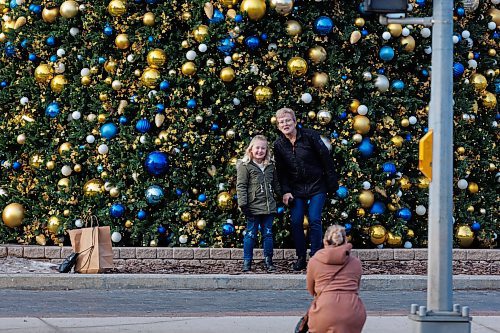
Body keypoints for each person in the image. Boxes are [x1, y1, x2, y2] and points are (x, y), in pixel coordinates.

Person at [273, 107, 339, 270]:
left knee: (314, 219)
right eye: (281, 122)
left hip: (317, 185)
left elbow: (326, 159)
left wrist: (331, 184)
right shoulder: (278, 144)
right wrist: (286, 191)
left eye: (288, 120)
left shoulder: (310, 136)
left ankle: (316, 257)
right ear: (278, 126)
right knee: (296, 221)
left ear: (295, 122)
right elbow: (281, 171)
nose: (285, 124)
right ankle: (301, 257)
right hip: (296, 189)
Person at [306, 225, 366, 333]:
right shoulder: (356, 263)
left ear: (325, 241)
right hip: (352, 312)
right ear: (346, 241)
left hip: (323, 312)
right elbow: (356, 287)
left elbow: (311, 290)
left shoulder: (314, 261)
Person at [236, 135, 281, 272]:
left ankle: (268, 261)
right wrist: (243, 204)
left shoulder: (270, 166)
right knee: (250, 234)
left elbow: (276, 185)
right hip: (253, 207)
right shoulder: (245, 166)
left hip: (268, 207)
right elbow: (241, 186)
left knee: (268, 234)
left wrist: (283, 195)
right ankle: (247, 261)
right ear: (251, 149)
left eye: (263, 148)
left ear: (266, 150)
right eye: (257, 148)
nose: (260, 151)